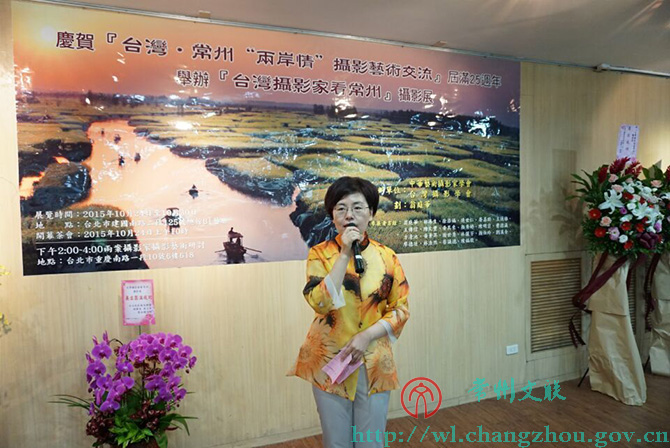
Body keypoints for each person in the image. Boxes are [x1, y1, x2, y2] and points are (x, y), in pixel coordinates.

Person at [288, 176, 409, 448]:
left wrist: (366, 336)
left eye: (357, 207)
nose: (349, 215)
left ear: (371, 213)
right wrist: (343, 254)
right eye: (341, 208)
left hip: (373, 361)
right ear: (332, 216)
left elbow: (400, 309)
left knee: (370, 442)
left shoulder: (387, 257)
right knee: (337, 442)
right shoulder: (319, 254)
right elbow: (319, 303)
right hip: (331, 361)